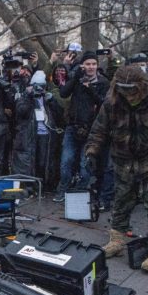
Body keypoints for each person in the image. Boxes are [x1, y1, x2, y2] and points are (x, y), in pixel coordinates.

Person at [85, 65, 148, 274]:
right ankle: (116, 240)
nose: (128, 96)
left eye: (132, 90)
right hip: (123, 160)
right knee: (122, 200)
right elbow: (99, 130)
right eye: (124, 90)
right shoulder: (112, 101)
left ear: (142, 86)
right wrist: (92, 152)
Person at [55, 51, 110, 201]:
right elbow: (63, 93)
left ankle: (79, 192)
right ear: (82, 65)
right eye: (88, 64)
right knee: (66, 161)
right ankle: (63, 188)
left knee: (85, 164)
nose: (91, 67)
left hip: (91, 129)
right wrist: (76, 78)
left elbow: (104, 103)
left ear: (97, 66)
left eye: (93, 64)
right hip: (73, 126)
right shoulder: (77, 78)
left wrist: (90, 88)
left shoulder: (103, 82)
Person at [11, 71, 64, 190]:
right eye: (37, 86)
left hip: (46, 134)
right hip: (31, 135)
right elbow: (20, 112)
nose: (39, 89)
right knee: (31, 161)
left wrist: (52, 100)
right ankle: (31, 186)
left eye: (42, 86)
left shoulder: (47, 98)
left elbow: (59, 115)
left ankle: (44, 185)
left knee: (43, 162)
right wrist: (28, 96)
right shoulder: (25, 97)